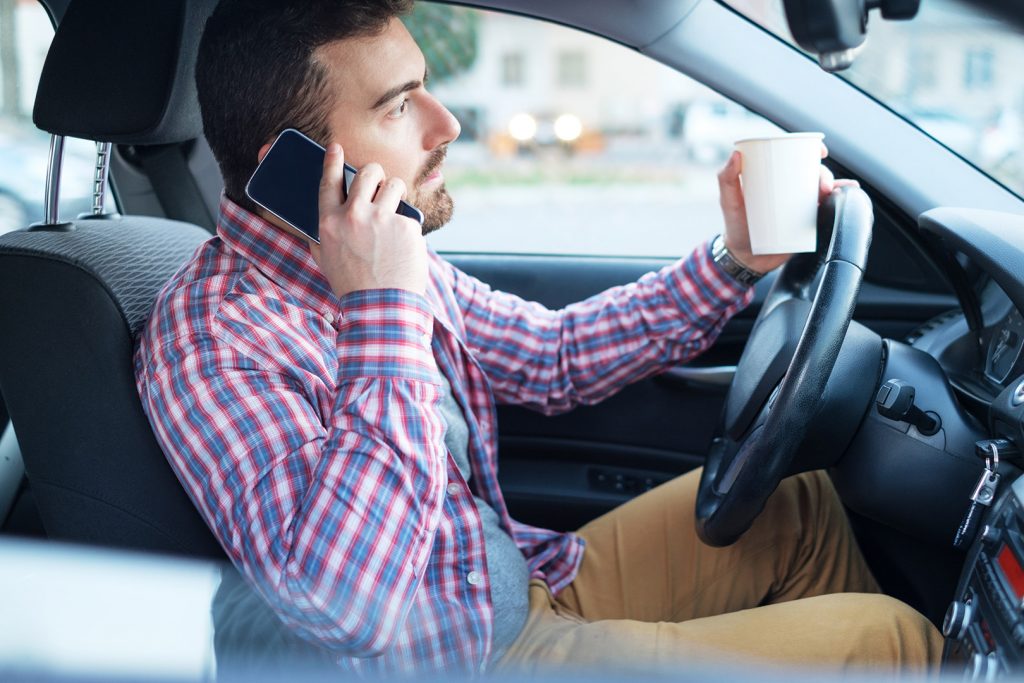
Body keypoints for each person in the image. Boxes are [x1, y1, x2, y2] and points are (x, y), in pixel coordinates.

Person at [134, 0, 944, 676]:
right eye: (397, 105)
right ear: (298, 167)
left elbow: (552, 356)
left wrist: (733, 260)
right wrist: (382, 315)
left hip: (511, 585)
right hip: (477, 660)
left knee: (795, 503)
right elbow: (344, 607)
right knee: (892, 640)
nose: (446, 124)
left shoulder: (366, 249)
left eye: (427, 89)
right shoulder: (213, 343)